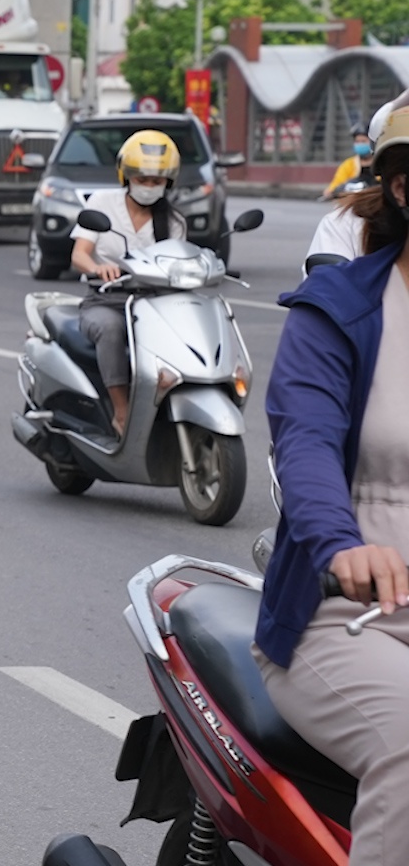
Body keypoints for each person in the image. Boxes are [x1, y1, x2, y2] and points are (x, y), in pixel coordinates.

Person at [255, 106, 409, 866]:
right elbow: (305, 441)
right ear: (405, 188)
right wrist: (342, 545)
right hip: (346, 617)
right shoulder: (339, 311)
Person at [69, 130, 187, 435]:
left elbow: (178, 263)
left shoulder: (173, 222)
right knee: (111, 330)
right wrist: (98, 267)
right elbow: (79, 254)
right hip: (105, 300)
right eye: (142, 180)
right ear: (126, 176)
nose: (149, 187)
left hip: (154, 304)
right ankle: (121, 412)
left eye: (156, 181)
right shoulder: (102, 203)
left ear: (168, 182)